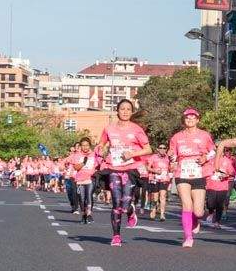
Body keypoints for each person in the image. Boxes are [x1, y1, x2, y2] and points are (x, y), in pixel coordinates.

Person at [97, 99, 152, 246]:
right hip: (114, 168)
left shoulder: (136, 129)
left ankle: (130, 211)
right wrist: (101, 150)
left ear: (132, 112)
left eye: (128, 109)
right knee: (116, 203)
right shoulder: (109, 128)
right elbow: (101, 144)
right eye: (122, 109)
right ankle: (116, 236)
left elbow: (148, 149)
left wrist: (131, 154)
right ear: (117, 111)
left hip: (130, 169)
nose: (125, 111)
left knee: (125, 203)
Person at [169, 108, 216, 248]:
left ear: (197, 120)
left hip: (199, 173)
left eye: (193, 118)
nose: (190, 120)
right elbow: (172, 154)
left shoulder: (204, 135)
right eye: (187, 118)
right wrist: (171, 156)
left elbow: (213, 150)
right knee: (186, 204)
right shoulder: (176, 137)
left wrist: (205, 157)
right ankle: (188, 237)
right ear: (184, 120)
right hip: (182, 173)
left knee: (198, 211)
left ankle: (196, 220)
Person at [68, 138, 100, 224]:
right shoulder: (77, 155)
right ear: (80, 146)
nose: (85, 147)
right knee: (82, 198)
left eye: (87, 145)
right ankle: (84, 215)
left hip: (91, 178)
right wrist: (83, 163)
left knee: (89, 195)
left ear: (90, 145)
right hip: (80, 179)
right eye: (83, 145)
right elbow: (75, 167)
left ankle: (89, 214)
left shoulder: (94, 155)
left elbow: (98, 166)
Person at [204, 151, 235, 229]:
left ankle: (217, 222)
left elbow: (232, 172)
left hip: (222, 186)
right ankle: (211, 212)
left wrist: (226, 175)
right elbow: (204, 170)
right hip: (210, 185)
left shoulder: (227, 161)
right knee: (210, 203)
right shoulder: (209, 160)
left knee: (219, 205)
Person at [144, 143, 171, 221]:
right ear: (157, 149)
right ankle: (153, 211)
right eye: (161, 148)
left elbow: (171, 168)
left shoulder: (168, 158)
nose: (162, 149)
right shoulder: (153, 157)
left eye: (164, 148)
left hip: (164, 179)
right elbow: (147, 167)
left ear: (166, 149)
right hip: (155, 179)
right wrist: (154, 170)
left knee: (163, 196)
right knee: (155, 198)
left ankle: (162, 214)